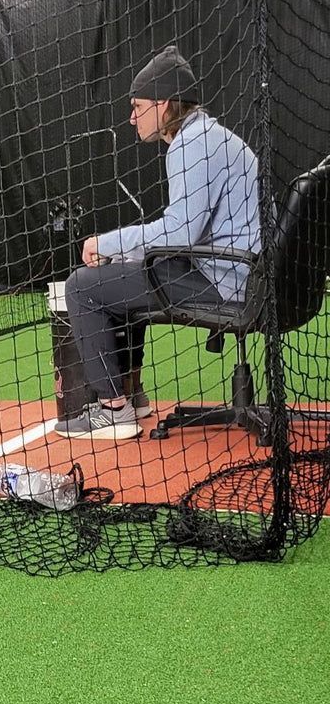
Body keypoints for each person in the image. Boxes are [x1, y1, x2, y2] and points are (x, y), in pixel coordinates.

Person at [55, 45, 261, 441]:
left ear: (164, 104)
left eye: (138, 106)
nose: (132, 117)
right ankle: (134, 397)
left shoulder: (192, 144)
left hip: (228, 282)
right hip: (241, 273)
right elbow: (186, 232)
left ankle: (113, 409)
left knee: (83, 286)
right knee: (125, 273)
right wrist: (122, 253)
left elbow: (180, 233)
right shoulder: (210, 135)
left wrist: (108, 243)